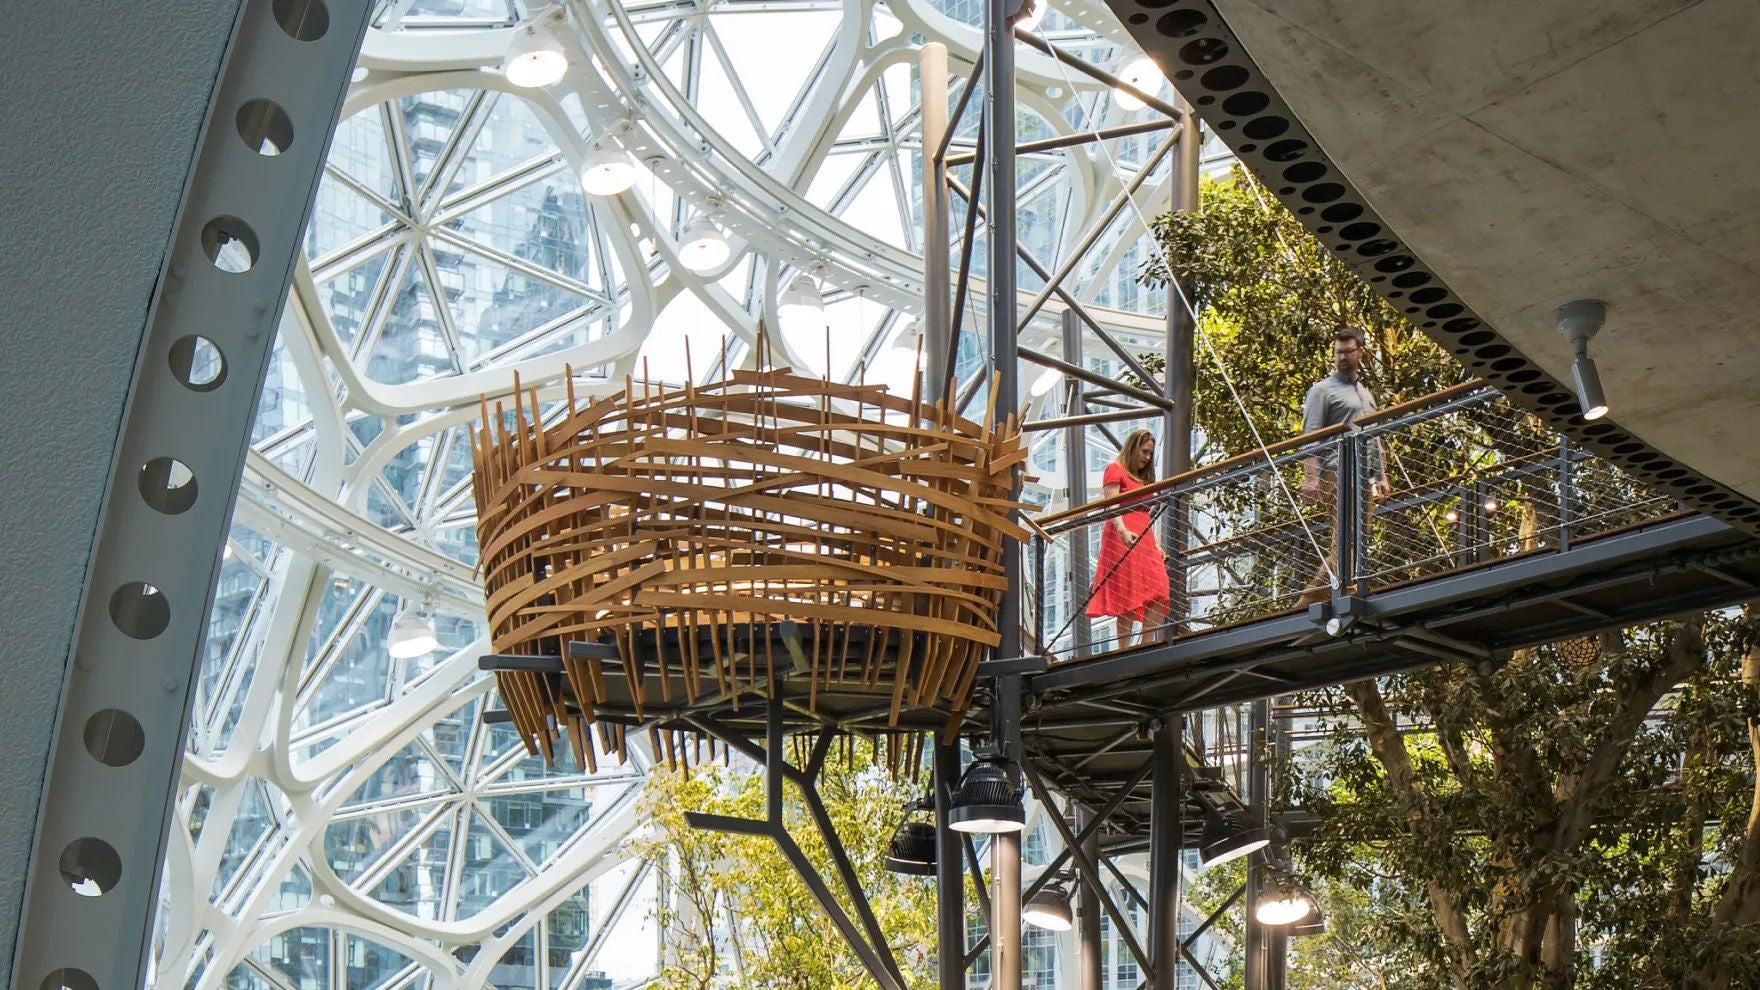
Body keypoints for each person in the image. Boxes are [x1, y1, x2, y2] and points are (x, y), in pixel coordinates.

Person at [1295, 327, 1389, 607]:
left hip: (1362, 475)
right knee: (1347, 536)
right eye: (1338, 352)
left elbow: (1374, 436)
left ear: (1360, 352)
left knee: (1360, 537)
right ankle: (1309, 599)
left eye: (1348, 351)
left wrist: (1381, 476)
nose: (1342, 357)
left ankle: (1342, 588)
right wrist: (1311, 478)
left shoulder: (1366, 394)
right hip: (1337, 470)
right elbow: (1310, 436)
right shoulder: (1322, 391)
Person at [1086, 429, 1172, 647]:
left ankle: (1146, 643)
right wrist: (1122, 530)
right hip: (1121, 534)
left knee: (1160, 588)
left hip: (1144, 536)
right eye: (1144, 452)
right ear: (1133, 448)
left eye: (1150, 454)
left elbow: (1145, 514)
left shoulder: (1141, 478)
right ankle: (1123, 648)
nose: (1147, 458)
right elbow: (1111, 504)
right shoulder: (1115, 469)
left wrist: (1156, 544)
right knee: (1127, 592)